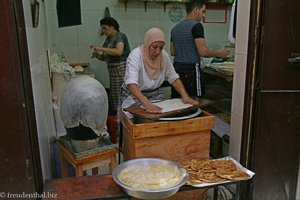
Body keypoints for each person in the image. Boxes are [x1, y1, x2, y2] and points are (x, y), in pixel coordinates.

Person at [119, 27, 198, 116]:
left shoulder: (163, 56)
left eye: (161, 47)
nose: (157, 51)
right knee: (134, 120)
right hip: (134, 97)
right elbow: (131, 84)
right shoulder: (136, 55)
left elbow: (173, 78)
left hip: (155, 96)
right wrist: (147, 104)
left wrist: (185, 96)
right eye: (154, 47)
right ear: (148, 43)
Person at [170, 0, 230, 98]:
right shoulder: (196, 26)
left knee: (179, 99)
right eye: (203, 11)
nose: (204, 15)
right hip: (191, 70)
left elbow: (173, 52)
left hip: (176, 68)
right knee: (196, 99)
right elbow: (203, 52)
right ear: (196, 10)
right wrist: (219, 53)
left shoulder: (175, 29)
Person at [90, 17, 130, 115]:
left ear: (112, 27)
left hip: (120, 69)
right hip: (113, 71)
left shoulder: (120, 36)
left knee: (120, 95)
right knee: (114, 96)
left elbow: (118, 51)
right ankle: (116, 118)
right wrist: (97, 55)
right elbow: (105, 57)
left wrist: (100, 48)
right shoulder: (108, 39)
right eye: (102, 29)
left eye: (105, 28)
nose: (103, 31)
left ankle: (122, 118)